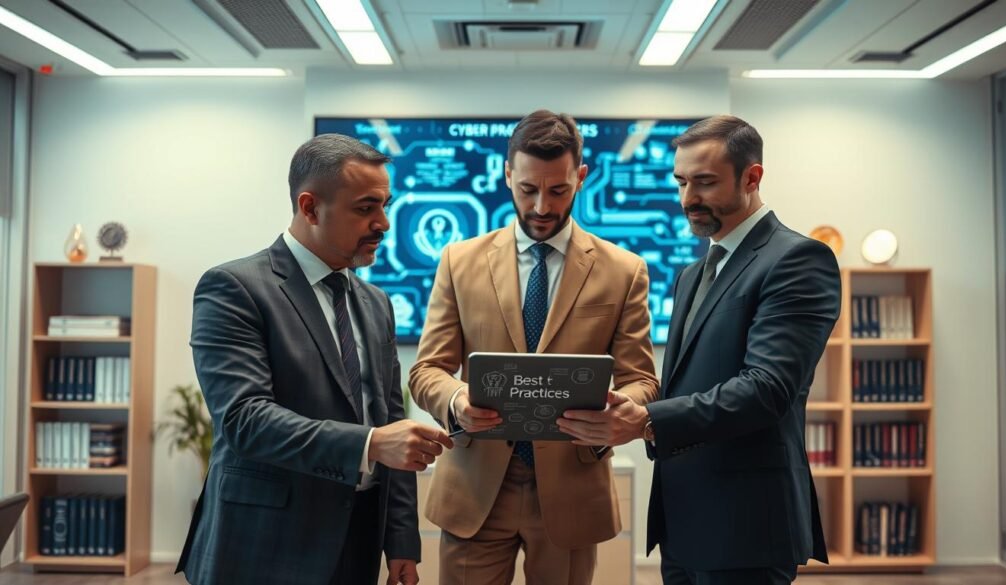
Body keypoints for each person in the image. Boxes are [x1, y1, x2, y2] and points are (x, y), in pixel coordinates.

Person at [558, 115, 839, 584]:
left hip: (746, 526)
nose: (688, 199)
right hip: (684, 522)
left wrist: (648, 420)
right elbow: (691, 381)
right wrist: (636, 404)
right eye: (682, 182)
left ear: (752, 177)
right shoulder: (693, 273)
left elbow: (767, 389)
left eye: (705, 183)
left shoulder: (797, 260)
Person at [177, 134, 454, 585]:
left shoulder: (376, 302)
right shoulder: (234, 288)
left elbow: (390, 417)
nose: (384, 223)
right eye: (366, 208)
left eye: (385, 205)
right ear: (309, 208)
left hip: (357, 542)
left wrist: (402, 541)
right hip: (262, 547)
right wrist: (369, 444)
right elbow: (245, 420)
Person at [408, 109, 659, 584]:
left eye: (558, 190)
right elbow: (427, 371)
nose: (542, 206)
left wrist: (623, 410)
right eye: (528, 189)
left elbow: (641, 379)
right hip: (477, 486)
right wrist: (456, 399)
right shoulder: (458, 261)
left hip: (571, 487)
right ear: (507, 176)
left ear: (582, 177)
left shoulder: (624, 270)